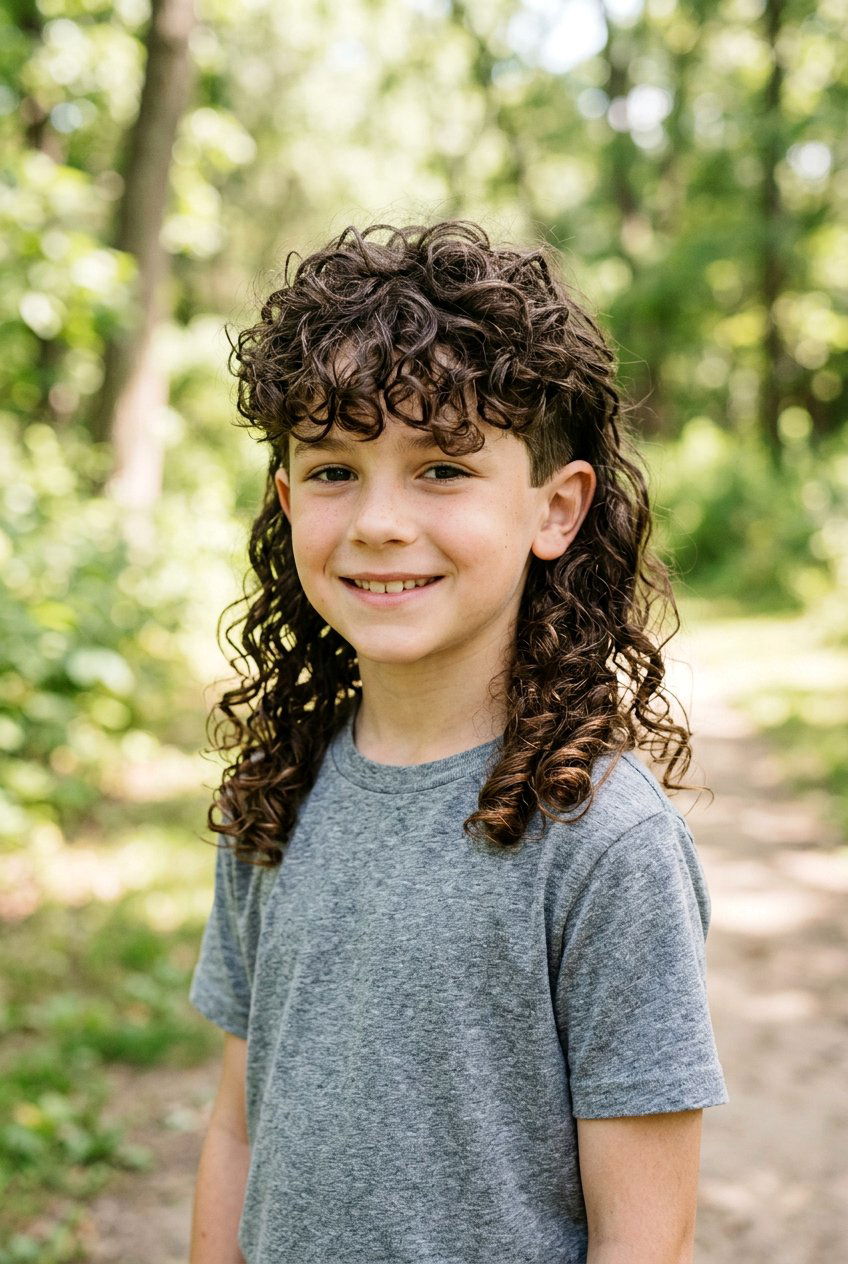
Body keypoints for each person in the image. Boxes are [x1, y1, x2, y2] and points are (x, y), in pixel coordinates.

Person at [187, 218, 729, 1264]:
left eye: (441, 468)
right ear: (287, 500)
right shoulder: (279, 786)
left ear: (555, 509)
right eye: (334, 470)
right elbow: (237, 1131)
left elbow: (645, 1236)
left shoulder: (604, 842)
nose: (378, 521)